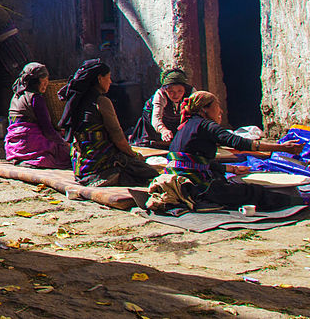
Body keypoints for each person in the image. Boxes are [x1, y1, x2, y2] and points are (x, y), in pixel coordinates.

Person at [165, 91, 302, 210]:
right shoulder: (206, 125)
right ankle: (299, 202)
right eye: (217, 106)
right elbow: (238, 142)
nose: (220, 111)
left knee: (220, 176)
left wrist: (233, 169)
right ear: (205, 109)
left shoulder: (186, 125)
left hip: (176, 180)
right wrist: (282, 147)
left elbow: (195, 161)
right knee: (251, 192)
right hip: (192, 187)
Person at [58, 59, 156, 187]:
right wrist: (134, 155)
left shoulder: (77, 102)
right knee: (149, 172)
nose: (110, 82)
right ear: (100, 78)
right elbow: (118, 138)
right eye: (108, 78)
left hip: (81, 167)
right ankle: (108, 178)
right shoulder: (101, 101)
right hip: (99, 166)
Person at [3, 62, 68, 168]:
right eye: (44, 81)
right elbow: (47, 129)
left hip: (12, 147)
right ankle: (31, 159)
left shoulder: (16, 95)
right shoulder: (35, 98)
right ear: (36, 81)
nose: (46, 84)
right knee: (62, 153)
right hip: (28, 142)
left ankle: (22, 158)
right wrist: (63, 142)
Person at [130, 68, 192, 147]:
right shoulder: (160, 95)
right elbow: (156, 118)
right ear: (165, 90)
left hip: (176, 121)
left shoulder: (191, 93)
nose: (176, 95)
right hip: (154, 123)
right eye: (171, 91)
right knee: (150, 144)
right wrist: (163, 130)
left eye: (180, 91)